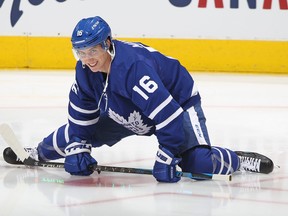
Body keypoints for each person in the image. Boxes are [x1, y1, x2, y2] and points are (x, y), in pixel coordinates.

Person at [6, 16, 274, 182]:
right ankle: (34, 152)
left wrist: (168, 155)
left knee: (198, 165)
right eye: (80, 53)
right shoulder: (86, 71)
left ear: (108, 44)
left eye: (92, 50)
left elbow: (168, 116)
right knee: (78, 135)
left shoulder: (133, 68)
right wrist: (78, 146)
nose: (87, 59)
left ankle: (237, 160)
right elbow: (81, 118)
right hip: (129, 107)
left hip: (178, 104)